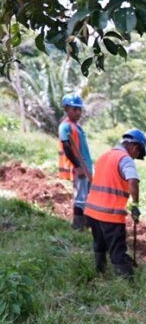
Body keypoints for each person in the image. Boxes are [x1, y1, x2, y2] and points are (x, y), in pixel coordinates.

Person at [84, 129, 146, 279]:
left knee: (99, 245)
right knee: (117, 251)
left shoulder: (104, 156)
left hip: (92, 212)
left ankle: (101, 274)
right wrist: (135, 205)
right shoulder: (125, 159)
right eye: (137, 154)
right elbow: (132, 180)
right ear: (135, 147)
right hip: (110, 215)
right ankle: (127, 286)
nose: (135, 157)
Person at [57, 94, 94, 230]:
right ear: (66, 109)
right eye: (74, 109)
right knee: (80, 195)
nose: (78, 112)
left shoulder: (77, 126)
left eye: (79, 109)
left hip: (87, 164)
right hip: (80, 165)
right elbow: (67, 147)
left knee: (88, 195)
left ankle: (87, 223)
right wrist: (78, 166)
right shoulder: (65, 127)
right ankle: (77, 226)